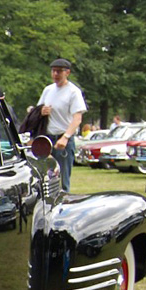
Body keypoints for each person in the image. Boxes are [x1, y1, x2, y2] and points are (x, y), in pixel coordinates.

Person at [37, 57, 87, 192]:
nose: (55, 75)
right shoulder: (48, 90)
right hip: (47, 138)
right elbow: (36, 111)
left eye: (59, 72)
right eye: (53, 71)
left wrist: (65, 137)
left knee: (62, 181)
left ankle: (62, 206)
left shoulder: (73, 92)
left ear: (67, 73)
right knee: (44, 178)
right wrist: (41, 111)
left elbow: (77, 118)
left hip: (63, 139)